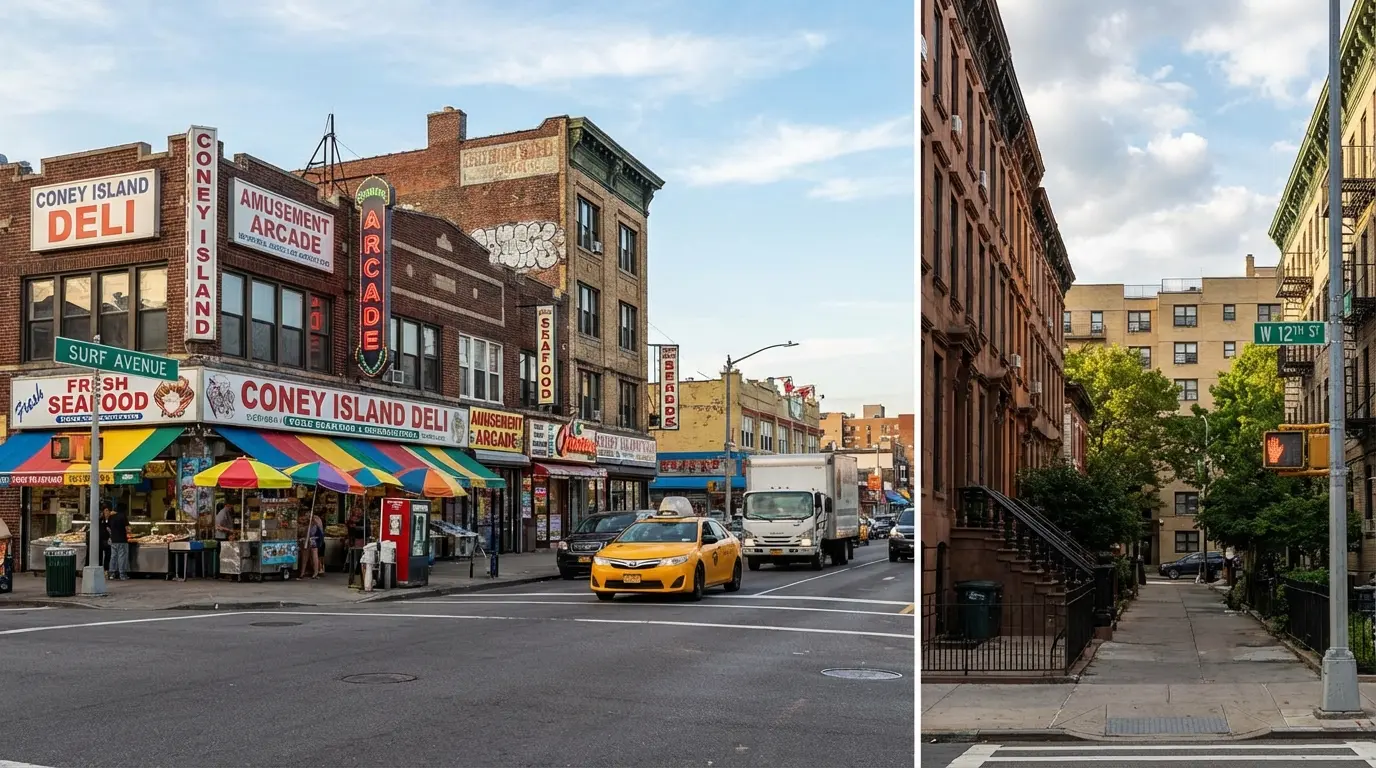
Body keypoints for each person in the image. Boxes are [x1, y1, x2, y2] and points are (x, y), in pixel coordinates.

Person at [107, 502, 130, 580]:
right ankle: (122, 574)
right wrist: (129, 530)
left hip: (113, 540)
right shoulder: (123, 516)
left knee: (113, 556)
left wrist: (112, 534)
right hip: (122, 540)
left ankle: (112, 574)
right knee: (122, 557)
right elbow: (127, 529)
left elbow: (108, 528)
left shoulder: (111, 516)